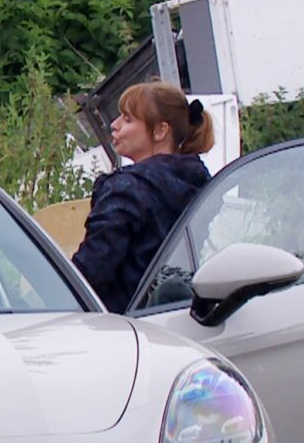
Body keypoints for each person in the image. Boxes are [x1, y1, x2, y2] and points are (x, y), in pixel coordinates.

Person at [71, 80, 213, 313]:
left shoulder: (127, 189)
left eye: (127, 119)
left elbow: (91, 270)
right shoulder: (199, 184)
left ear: (160, 131)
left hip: (121, 327)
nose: (114, 125)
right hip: (179, 315)